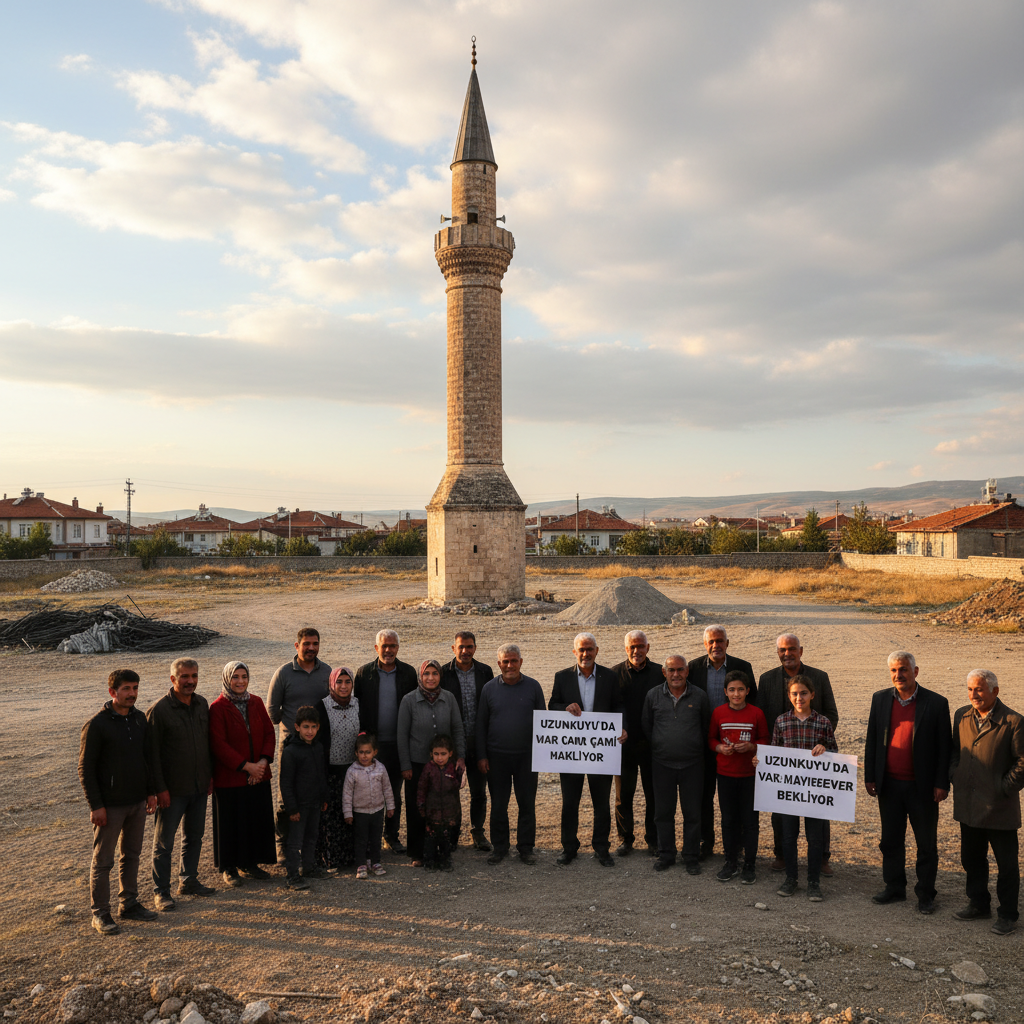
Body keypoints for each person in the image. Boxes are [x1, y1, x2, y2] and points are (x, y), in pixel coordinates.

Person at [864, 651, 951, 915]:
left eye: (903, 669)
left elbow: (944, 748)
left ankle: (925, 894)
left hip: (922, 787)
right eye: (893, 671)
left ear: (915, 671)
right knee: (890, 840)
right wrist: (870, 776)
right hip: (888, 784)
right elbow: (872, 740)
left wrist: (941, 782)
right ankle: (894, 887)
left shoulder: (936, 703)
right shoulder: (880, 699)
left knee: (926, 844)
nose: (898, 675)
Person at [78, 668, 158, 935]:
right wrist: (95, 806)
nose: (132, 694)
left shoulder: (139, 719)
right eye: (126, 689)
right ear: (112, 692)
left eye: (135, 688)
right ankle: (100, 913)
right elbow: (85, 769)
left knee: (132, 856)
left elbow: (147, 759)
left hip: (137, 802)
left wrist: (150, 792)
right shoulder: (97, 725)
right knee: (103, 861)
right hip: (110, 807)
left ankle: (130, 904)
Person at [757, 634, 839, 874]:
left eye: (792, 649)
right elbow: (762, 717)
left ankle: (822, 858)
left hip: (815, 759)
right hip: (782, 760)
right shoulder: (767, 679)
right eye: (782, 650)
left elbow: (831, 713)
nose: (787, 653)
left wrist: (821, 743)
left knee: (819, 811)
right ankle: (781, 855)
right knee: (780, 810)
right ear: (777, 653)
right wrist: (769, 754)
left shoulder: (820, 677)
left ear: (801, 651)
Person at [950, 669, 1024, 935]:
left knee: (1006, 865)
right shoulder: (962, 715)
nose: (974, 695)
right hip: (969, 804)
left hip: (999, 807)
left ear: (995, 691)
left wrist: (1002, 787)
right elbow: (955, 751)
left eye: (979, 689)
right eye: (970, 689)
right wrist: (954, 774)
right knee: (972, 858)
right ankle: (979, 903)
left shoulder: (1014, 721)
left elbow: (1022, 762)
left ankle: (1007, 915)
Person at [550, 632, 627, 867]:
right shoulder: (562, 677)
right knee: (569, 802)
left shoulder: (610, 677)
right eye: (581, 650)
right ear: (575, 652)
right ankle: (569, 848)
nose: (586, 654)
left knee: (601, 802)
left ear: (597, 651)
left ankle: (601, 848)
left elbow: (618, 706)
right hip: (571, 752)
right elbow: (552, 705)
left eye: (590, 649)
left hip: (600, 752)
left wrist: (623, 728)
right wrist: (565, 707)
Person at [147, 657, 215, 911]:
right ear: (173, 679)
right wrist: (159, 789)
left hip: (199, 786)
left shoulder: (202, 704)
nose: (190, 681)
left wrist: (209, 777)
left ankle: (188, 880)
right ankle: (161, 892)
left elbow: (207, 743)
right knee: (164, 842)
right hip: (172, 791)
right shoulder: (160, 710)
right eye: (184, 676)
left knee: (194, 836)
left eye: (194, 676)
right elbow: (151, 755)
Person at [688, 625, 756, 860]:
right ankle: (706, 843)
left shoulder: (743, 667)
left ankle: (736, 846)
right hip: (704, 743)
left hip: (736, 746)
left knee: (735, 800)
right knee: (704, 797)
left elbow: (752, 703)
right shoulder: (693, 668)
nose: (716, 645)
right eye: (711, 642)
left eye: (720, 641)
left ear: (728, 643)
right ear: (704, 644)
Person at [477, 643, 547, 865]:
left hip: (527, 757)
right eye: (505, 661)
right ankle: (500, 847)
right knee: (499, 804)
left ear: (521, 662)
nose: (510, 665)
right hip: (497, 757)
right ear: (499, 664)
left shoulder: (534, 687)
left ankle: (526, 848)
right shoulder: (489, 689)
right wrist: (482, 756)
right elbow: (481, 725)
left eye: (514, 660)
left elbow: (543, 723)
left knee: (527, 803)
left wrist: (542, 755)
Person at [208, 661, 276, 888]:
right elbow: (218, 744)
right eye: (235, 677)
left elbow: (269, 732)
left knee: (253, 819)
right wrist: (247, 766)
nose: (240, 681)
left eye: (244, 676)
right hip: (231, 777)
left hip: (259, 773)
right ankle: (229, 867)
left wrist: (263, 763)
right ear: (227, 679)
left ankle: (250, 863)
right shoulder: (217, 708)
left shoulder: (256, 702)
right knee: (230, 822)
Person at [641, 655, 710, 874]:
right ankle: (666, 854)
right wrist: (663, 746)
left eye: (680, 670)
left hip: (693, 764)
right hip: (662, 764)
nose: (676, 674)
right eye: (671, 670)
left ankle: (691, 856)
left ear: (687, 671)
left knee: (692, 813)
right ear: (664, 672)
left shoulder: (699, 696)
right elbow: (647, 726)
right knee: (663, 813)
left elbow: (706, 726)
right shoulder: (653, 696)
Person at [267, 628, 331, 861]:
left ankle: (309, 848)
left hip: (317, 744)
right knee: (287, 795)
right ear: (297, 646)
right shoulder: (283, 673)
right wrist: (293, 729)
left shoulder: (326, 672)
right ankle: (282, 845)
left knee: (312, 792)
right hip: (290, 745)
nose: (311, 648)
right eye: (306, 644)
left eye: (315, 643)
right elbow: (273, 711)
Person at [354, 629, 418, 853]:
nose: (388, 650)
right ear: (376, 648)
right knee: (369, 793)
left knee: (393, 794)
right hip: (372, 746)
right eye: (384, 646)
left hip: (399, 746)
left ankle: (391, 836)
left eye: (392, 646)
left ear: (398, 648)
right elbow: (357, 708)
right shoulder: (363, 674)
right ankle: (369, 839)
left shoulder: (409, 673)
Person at [397, 659, 466, 866]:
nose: (430, 678)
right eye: (426, 674)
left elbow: (458, 729)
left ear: (440, 676)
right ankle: (418, 853)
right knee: (418, 808)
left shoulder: (449, 698)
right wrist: (405, 765)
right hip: (417, 764)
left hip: (445, 764)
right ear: (420, 676)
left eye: (435, 673)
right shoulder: (409, 700)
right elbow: (402, 735)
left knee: (444, 806)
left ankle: (444, 850)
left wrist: (460, 757)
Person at [708, 669, 768, 884]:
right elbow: (711, 739)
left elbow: (764, 739)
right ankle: (730, 861)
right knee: (728, 820)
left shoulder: (756, 713)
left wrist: (752, 746)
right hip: (725, 775)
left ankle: (749, 864)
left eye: (740, 690)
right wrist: (719, 749)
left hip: (749, 776)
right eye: (732, 690)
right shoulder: (718, 713)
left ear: (747, 691)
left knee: (750, 822)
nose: (736, 694)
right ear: (725, 691)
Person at [441, 630, 495, 851]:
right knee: (449, 791)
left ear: (475, 648)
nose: (465, 651)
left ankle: (478, 832)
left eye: (469, 646)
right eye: (461, 647)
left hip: (479, 740)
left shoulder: (485, 672)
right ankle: (451, 834)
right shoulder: (443, 673)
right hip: (451, 745)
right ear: (453, 648)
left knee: (479, 792)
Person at [612, 630, 661, 857]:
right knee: (624, 796)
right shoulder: (613, 675)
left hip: (652, 746)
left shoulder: (661, 674)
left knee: (654, 795)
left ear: (648, 648)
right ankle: (625, 839)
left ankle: (653, 839)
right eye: (631, 646)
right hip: (623, 748)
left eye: (640, 646)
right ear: (625, 649)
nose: (636, 651)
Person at [316, 666, 361, 872]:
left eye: (347, 682)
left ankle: (355, 856)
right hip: (331, 772)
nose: (343, 686)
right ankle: (333, 858)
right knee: (332, 816)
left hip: (354, 770)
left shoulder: (358, 704)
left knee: (352, 813)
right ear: (331, 683)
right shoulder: (322, 707)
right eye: (339, 682)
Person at [279, 706, 329, 890]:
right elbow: (285, 782)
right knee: (294, 842)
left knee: (311, 837)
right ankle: (292, 875)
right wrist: (291, 809)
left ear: (318, 727)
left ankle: (309, 868)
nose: (310, 731)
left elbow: (321, 774)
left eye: (313, 727)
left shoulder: (318, 746)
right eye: (306, 727)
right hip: (298, 806)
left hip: (315, 803)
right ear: (297, 727)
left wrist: (324, 798)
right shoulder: (291, 751)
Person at [343, 733, 396, 878]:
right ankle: (361, 864)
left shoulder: (381, 768)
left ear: (375, 752)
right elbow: (347, 794)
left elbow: (387, 788)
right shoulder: (352, 771)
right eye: (361, 752)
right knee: (361, 839)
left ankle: (375, 862)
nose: (364, 756)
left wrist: (390, 806)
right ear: (356, 753)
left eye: (368, 752)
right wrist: (348, 813)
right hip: (360, 812)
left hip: (377, 810)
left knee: (375, 837)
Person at [417, 734, 465, 871]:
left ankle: (445, 861)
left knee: (446, 839)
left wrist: (460, 774)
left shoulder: (452, 769)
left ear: (450, 754)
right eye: (436, 754)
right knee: (431, 838)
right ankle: (430, 861)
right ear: (431, 754)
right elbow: (422, 788)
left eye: (443, 754)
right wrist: (421, 806)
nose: (439, 758)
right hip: (432, 812)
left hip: (449, 812)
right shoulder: (428, 769)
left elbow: (456, 787)